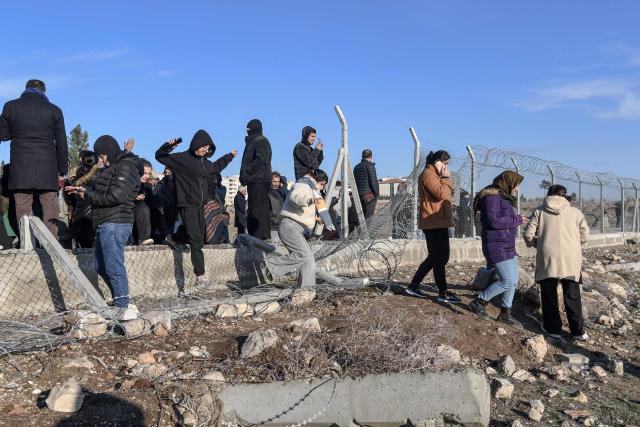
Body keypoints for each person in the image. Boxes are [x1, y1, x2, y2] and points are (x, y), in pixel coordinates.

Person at [64, 135, 141, 320]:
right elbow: (103, 192)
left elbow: (116, 196)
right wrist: (84, 192)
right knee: (101, 266)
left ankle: (122, 307)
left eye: (103, 155)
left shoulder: (126, 167)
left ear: (110, 152)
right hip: (105, 222)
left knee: (114, 266)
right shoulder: (112, 168)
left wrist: (88, 194)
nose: (101, 159)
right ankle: (122, 301)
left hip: (115, 223)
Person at [155, 130, 237, 286]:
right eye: (203, 147)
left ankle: (172, 238)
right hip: (186, 203)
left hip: (200, 205)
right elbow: (160, 156)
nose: (205, 150)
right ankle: (200, 274)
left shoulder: (205, 163)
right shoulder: (183, 159)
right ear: (196, 144)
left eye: (208, 148)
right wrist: (169, 145)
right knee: (196, 239)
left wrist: (230, 156)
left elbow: (217, 166)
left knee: (200, 238)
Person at [0, 79, 68, 238]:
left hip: (20, 166)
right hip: (48, 166)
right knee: (50, 205)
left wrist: (18, 133)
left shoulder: (11, 106)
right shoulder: (54, 110)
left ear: (26, 89)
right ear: (43, 92)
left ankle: (28, 244)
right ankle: (51, 243)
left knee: (23, 205)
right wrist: (62, 170)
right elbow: (62, 142)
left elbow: (2, 134)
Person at [523, 185, 590, 340]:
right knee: (572, 293)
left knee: (549, 293)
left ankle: (553, 328)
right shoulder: (575, 212)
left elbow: (528, 234)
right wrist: (573, 243)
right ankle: (578, 331)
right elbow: (585, 235)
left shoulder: (540, 211)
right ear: (564, 195)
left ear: (548, 194)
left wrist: (536, 244)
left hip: (548, 256)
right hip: (571, 258)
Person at [469, 171, 529, 328]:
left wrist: (517, 219)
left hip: (507, 245)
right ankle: (479, 301)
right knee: (507, 280)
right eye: (516, 185)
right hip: (497, 246)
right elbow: (494, 221)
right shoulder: (492, 198)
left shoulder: (503, 198)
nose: (516, 189)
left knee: (513, 282)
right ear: (508, 182)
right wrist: (517, 219)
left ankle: (505, 313)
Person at [264, 169, 335, 288]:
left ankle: (306, 289)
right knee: (303, 255)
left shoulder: (309, 187)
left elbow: (300, 214)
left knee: (309, 260)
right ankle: (269, 266)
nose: (322, 188)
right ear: (315, 179)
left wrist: (316, 219)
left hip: (294, 227)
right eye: (322, 184)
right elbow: (295, 198)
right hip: (290, 227)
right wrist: (309, 200)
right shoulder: (303, 185)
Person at [407, 150, 461, 303]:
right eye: (445, 163)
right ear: (437, 162)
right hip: (434, 222)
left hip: (437, 221)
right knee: (441, 258)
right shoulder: (429, 174)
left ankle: (414, 285)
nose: (446, 166)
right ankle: (443, 292)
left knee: (435, 257)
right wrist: (445, 177)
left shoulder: (432, 174)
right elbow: (442, 194)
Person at [239, 119, 272, 240]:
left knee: (259, 209)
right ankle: (256, 235)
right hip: (255, 180)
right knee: (254, 208)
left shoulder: (261, 140)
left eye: (249, 129)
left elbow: (262, 159)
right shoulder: (254, 141)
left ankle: (260, 236)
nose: (247, 131)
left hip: (260, 180)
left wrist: (248, 170)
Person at [67, 150, 99, 248]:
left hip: (79, 214)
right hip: (92, 215)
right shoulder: (99, 174)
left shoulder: (78, 173)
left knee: (82, 246)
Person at [353, 149, 379, 220]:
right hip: (369, 196)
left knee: (360, 218)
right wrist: (377, 194)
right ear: (371, 156)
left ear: (362, 156)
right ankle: (366, 231)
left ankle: (360, 231)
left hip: (359, 196)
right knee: (368, 218)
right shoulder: (370, 166)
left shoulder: (356, 167)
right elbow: (373, 182)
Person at [133, 159, 154, 245]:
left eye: (149, 174)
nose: (147, 176)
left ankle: (145, 239)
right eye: (144, 173)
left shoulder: (147, 187)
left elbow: (152, 204)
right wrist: (133, 197)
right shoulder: (126, 183)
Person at [268, 172, 286, 242]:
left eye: (278, 182)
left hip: (282, 225)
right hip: (272, 226)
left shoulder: (282, 193)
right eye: (274, 181)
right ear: (271, 181)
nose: (276, 184)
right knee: (274, 247)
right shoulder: (267, 193)